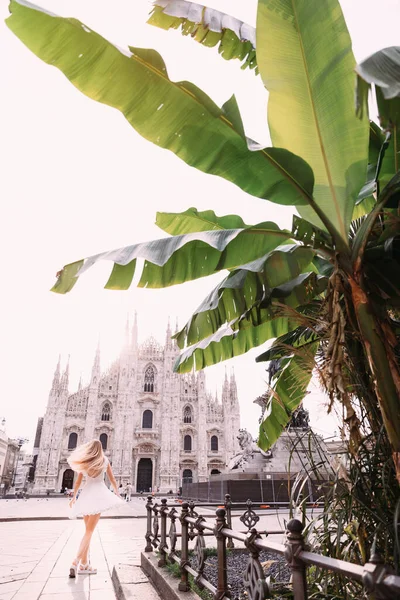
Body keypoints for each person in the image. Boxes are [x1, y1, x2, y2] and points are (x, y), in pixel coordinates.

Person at [67, 439, 124, 578]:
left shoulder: (86, 461)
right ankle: (75, 562)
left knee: (88, 531)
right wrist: (117, 493)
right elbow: (112, 480)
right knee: (89, 532)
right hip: (98, 496)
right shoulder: (104, 461)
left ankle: (84, 564)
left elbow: (78, 482)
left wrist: (74, 497)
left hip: (86, 495)